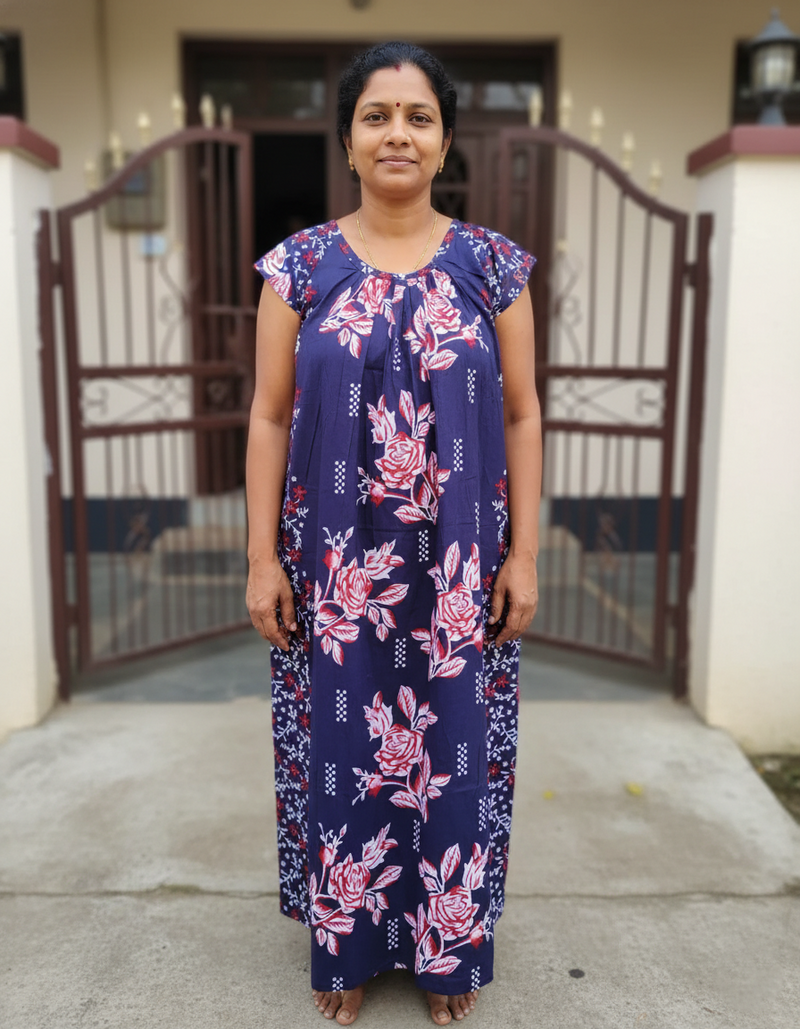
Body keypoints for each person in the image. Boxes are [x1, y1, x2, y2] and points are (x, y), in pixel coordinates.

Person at [246, 41, 542, 1026]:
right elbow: (267, 414)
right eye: (376, 116)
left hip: (458, 569)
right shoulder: (299, 268)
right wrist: (260, 558)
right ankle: (347, 942)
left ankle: (446, 949)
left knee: (452, 753)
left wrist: (524, 554)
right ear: (348, 140)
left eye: (418, 116)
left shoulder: (492, 267)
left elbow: (522, 413)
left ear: (445, 140)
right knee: (340, 749)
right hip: (334, 571)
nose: (397, 134)